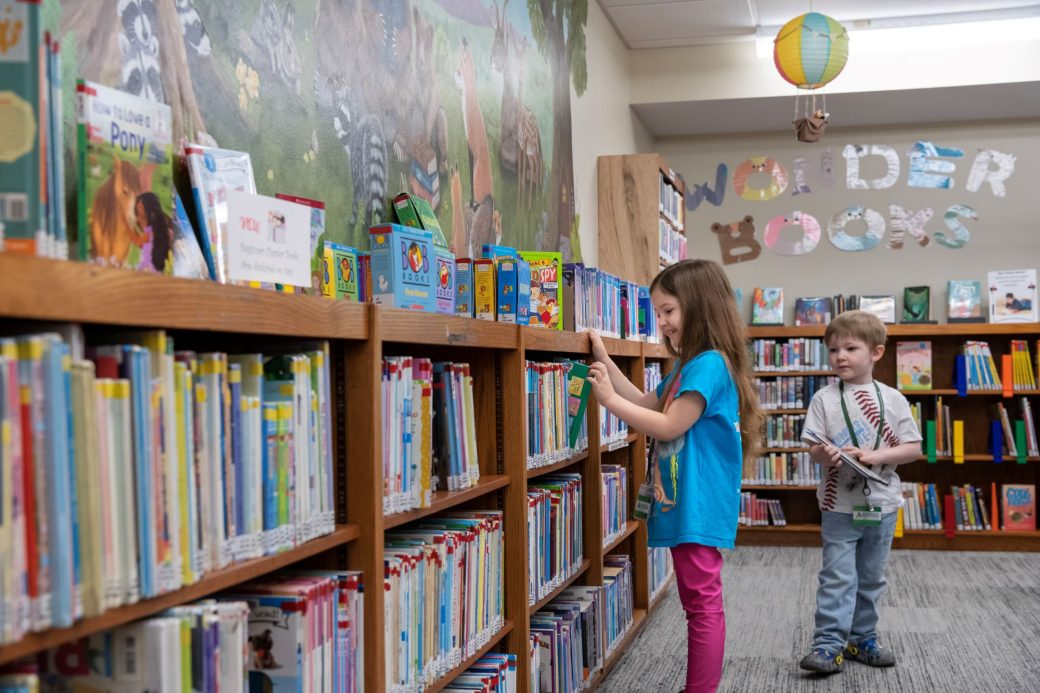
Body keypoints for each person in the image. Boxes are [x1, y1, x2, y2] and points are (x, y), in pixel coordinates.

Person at [586, 259, 763, 693]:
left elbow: (666, 426)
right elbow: (648, 403)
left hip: (697, 502)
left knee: (702, 604)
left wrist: (607, 400)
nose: (661, 323)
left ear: (699, 306)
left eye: (669, 311)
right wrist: (607, 363)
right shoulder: (693, 365)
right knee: (697, 600)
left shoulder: (708, 365)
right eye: (658, 313)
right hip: (687, 500)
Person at [798, 310, 922, 675]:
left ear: (876, 353)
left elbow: (913, 448)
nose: (840, 356)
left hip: (882, 504)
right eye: (833, 349)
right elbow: (813, 447)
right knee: (837, 576)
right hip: (839, 505)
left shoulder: (893, 399)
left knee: (871, 576)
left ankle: (862, 638)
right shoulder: (824, 398)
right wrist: (827, 454)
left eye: (851, 348)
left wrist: (873, 455)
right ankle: (827, 645)